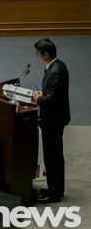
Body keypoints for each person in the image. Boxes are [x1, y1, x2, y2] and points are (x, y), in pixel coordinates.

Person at [31, 38, 70, 204]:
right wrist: (43, 95)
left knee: (53, 158)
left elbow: (51, 100)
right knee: (54, 156)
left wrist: (39, 98)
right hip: (53, 119)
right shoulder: (57, 66)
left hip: (53, 122)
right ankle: (55, 188)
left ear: (46, 54)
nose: (36, 56)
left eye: (38, 53)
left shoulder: (55, 71)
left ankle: (54, 193)